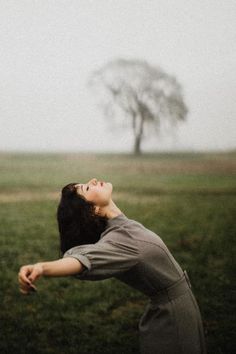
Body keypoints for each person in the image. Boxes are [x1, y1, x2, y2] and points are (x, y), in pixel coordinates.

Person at [18, 178, 206, 354]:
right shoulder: (118, 240)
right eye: (86, 188)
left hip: (179, 311)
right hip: (172, 322)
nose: (92, 180)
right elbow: (82, 260)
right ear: (93, 210)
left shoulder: (121, 227)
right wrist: (42, 268)